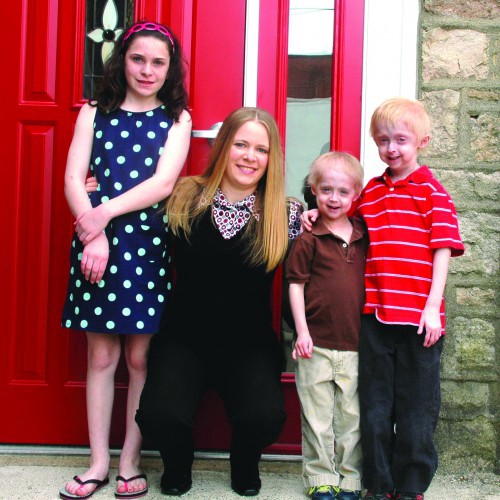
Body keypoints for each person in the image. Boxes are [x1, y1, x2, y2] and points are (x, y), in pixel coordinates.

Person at [135, 107, 303, 497]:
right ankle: (179, 463)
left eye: (260, 150)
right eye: (241, 144)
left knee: (265, 416)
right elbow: (136, 226)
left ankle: (243, 461)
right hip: (183, 339)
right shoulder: (184, 195)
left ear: (270, 158)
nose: (249, 156)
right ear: (223, 146)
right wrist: (97, 194)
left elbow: (323, 253)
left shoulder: (286, 213)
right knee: (158, 415)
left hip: (248, 345)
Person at [302, 98, 464, 500]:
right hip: (375, 318)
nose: (392, 148)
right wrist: (311, 216)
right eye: (383, 140)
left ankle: (410, 487)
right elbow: (339, 215)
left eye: (401, 140)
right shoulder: (371, 192)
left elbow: (443, 250)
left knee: (415, 412)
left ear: (421, 142)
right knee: (374, 410)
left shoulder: (433, 193)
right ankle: (379, 483)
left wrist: (432, 307)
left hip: (418, 323)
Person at [59, 21, 192, 500]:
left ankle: (130, 461)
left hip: (143, 243)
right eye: (138, 59)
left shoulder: (178, 118)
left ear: (170, 68)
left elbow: (161, 184)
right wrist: (92, 233)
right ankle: (97, 462)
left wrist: (104, 215)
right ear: (122, 59)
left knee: (138, 356)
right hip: (94, 241)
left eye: (158, 62)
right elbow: (74, 176)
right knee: (102, 355)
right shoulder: (95, 112)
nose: (147, 70)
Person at [286, 152, 367, 500]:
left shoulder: (365, 234)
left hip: (356, 344)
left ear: (356, 194)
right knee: (317, 417)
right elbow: (295, 285)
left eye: (343, 192)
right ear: (314, 191)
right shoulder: (308, 239)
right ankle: (321, 477)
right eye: (326, 191)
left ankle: (349, 478)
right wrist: (301, 332)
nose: (334, 199)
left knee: (352, 418)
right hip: (315, 343)